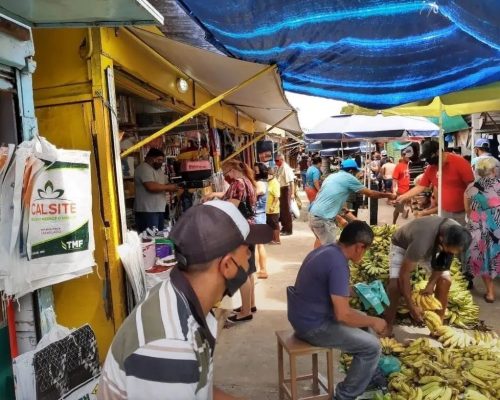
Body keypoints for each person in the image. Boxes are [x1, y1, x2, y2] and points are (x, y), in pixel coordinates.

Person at [98, 200, 272, 400]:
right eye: (247, 249)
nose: (250, 254)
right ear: (227, 265)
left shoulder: (179, 295)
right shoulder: (169, 346)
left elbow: (199, 390)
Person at [287, 221, 387, 400]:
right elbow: (343, 315)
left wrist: (357, 290)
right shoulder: (338, 264)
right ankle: (344, 396)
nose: (364, 255)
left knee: (363, 319)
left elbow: (332, 287)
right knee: (372, 347)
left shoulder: (327, 251)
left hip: (301, 315)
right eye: (366, 250)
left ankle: (368, 374)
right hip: (312, 326)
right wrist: (375, 321)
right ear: (359, 247)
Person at [384, 216, 472, 335]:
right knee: (394, 287)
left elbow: (443, 261)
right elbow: (404, 274)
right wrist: (411, 306)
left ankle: (437, 325)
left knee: (445, 281)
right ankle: (387, 325)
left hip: (435, 248)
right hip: (403, 246)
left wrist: (431, 284)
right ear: (442, 239)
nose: (452, 253)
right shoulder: (422, 242)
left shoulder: (456, 234)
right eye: (450, 250)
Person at [205, 159, 258, 322]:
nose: (225, 177)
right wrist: (216, 195)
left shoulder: (238, 183)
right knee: (249, 269)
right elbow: (232, 198)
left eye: (225, 173)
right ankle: (250, 305)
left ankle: (245, 312)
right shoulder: (247, 181)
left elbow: (231, 206)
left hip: (240, 229)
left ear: (232, 170)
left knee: (241, 270)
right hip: (251, 227)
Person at [309, 159, 395, 248]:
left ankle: (315, 260)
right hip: (323, 219)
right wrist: (388, 195)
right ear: (350, 171)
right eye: (355, 172)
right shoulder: (348, 178)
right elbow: (370, 193)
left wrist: (354, 219)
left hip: (313, 215)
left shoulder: (331, 177)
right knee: (332, 250)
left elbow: (335, 203)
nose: (356, 174)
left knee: (320, 242)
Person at [396, 140, 474, 225]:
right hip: (444, 212)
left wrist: (469, 210)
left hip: (463, 212)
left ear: (437, 152)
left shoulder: (460, 163)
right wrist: (404, 196)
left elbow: (472, 187)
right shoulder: (431, 168)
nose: (428, 160)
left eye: (429, 156)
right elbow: (420, 187)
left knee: (462, 236)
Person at [464, 156, 500, 303]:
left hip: (478, 227)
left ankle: (490, 293)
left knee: (484, 257)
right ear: (493, 170)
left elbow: (467, 210)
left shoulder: (472, 188)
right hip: (497, 226)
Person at [134, 148, 180, 232]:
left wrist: (175, 187)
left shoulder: (158, 170)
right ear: (150, 158)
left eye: (162, 160)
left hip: (158, 209)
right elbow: (151, 187)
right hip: (147, 210)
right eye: (158, 160)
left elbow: (165, 184)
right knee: (151, 238)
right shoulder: (143, 168)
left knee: (159, 237)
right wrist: (169, 187)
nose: (161, 162)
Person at [254, 163, 269, 279]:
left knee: (257, 245)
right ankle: (262, 269)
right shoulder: (264, 182)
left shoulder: (259, 184)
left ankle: (261, 270)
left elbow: (255, 194)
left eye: (255, 170)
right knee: (259, 245)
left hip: (257, 215)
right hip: (261, 215)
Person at [275, 154, 295, 236]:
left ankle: (288, 230)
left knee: (286, 211)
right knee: (282, 210)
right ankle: (284, 228)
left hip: (285, 189)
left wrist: (293, 193)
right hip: (280, 190)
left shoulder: (286, 168)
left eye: (277, 160)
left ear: (282, 160)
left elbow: (291, 182)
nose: (276, 162)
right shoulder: (279, 167)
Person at [392, 147, 413, 224]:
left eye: (409, 156)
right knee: (398, 209)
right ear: (403, 156)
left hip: (409, 191)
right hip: (400, 191)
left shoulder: (409, 165)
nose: (409, 157)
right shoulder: (399, 166)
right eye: (407, 156)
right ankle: (393, 223)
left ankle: (405, 214)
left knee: (412, 207)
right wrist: (394, 191)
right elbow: (394, 179)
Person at [266, 166, 281, 245]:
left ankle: (277, 240)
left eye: (270, 173)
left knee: (274, 224)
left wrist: (272, 206)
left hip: (273, 208)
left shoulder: (275, 183)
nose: (268, 175)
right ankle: (272, 239)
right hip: (268, 208)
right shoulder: (269, 182)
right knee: (271, 224)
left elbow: (276, 196)